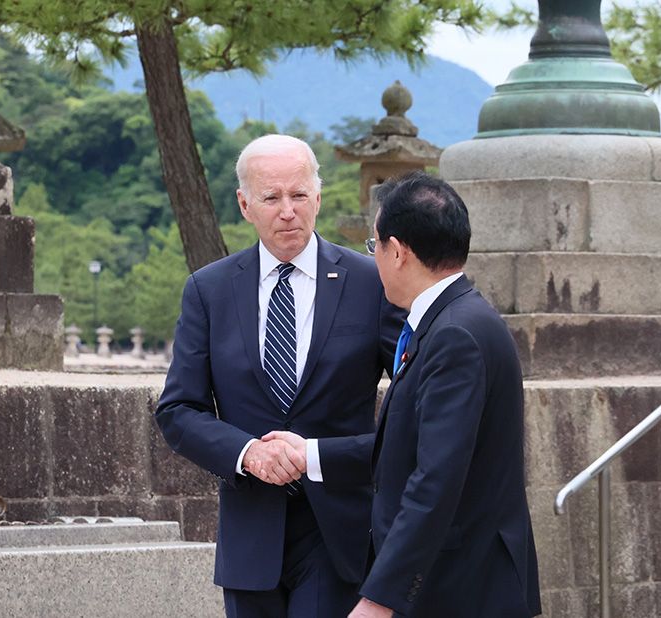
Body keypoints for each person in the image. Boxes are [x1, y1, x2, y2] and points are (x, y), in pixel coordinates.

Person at [154, 134, 402, 617]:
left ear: (318, 198)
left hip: (340, 530)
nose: (288, 211)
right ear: (245, 205)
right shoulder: (209, 290)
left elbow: (414, 394)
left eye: (299, 195)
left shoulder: (371, 282)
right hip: (250, 532)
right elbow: (179, 409)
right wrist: (248, 453)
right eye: (271, 198)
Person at [350, 171, 541, 616]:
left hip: (461, 589)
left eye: (374, 246)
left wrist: (379, 598)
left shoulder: (454, 334)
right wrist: (311, 454)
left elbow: (435, 478)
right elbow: (407, 449)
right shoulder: (455, 318)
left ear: (397, 251)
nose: (374, 258)